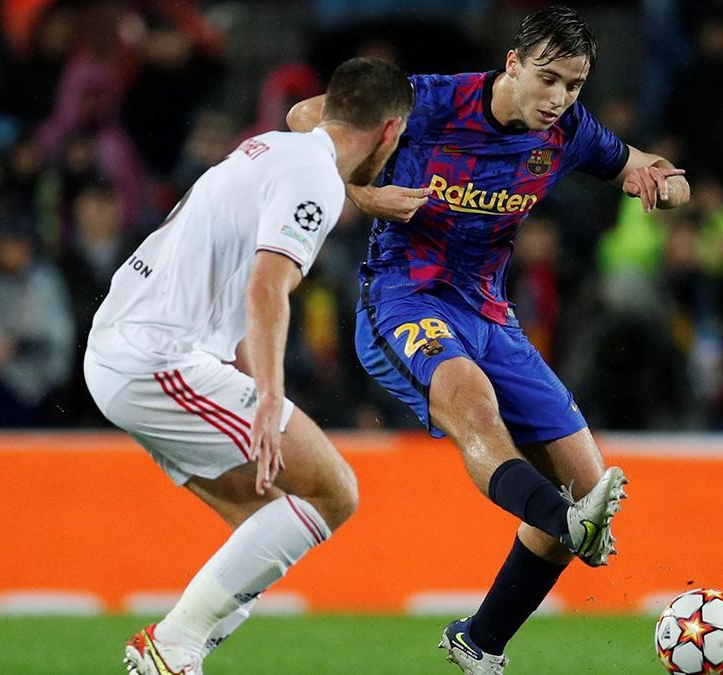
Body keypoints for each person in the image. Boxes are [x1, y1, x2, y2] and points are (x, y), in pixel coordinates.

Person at [288, 6, 689, 671]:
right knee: (473, 404)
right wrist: (362, 194)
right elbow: (305, 117)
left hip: (489, 313)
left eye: (574, 86)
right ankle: (563, 523)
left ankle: (480, 642)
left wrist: (664, 182)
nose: (558, 99)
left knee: (589, 490)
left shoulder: (569, 133)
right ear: (512, 63)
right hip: (405, 296)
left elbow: (643, 164)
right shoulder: (430, 101)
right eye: (549, 79)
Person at [82, 57, 413, 675]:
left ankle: (178, 652)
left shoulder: (275, 147)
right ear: (390, 132)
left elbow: (242, 281)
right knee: (334, 492)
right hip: (158, 356)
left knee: (269, 522)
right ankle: (172, 647)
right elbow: (266, 289)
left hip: (124, 347)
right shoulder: (314, 182)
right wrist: (266, 395)